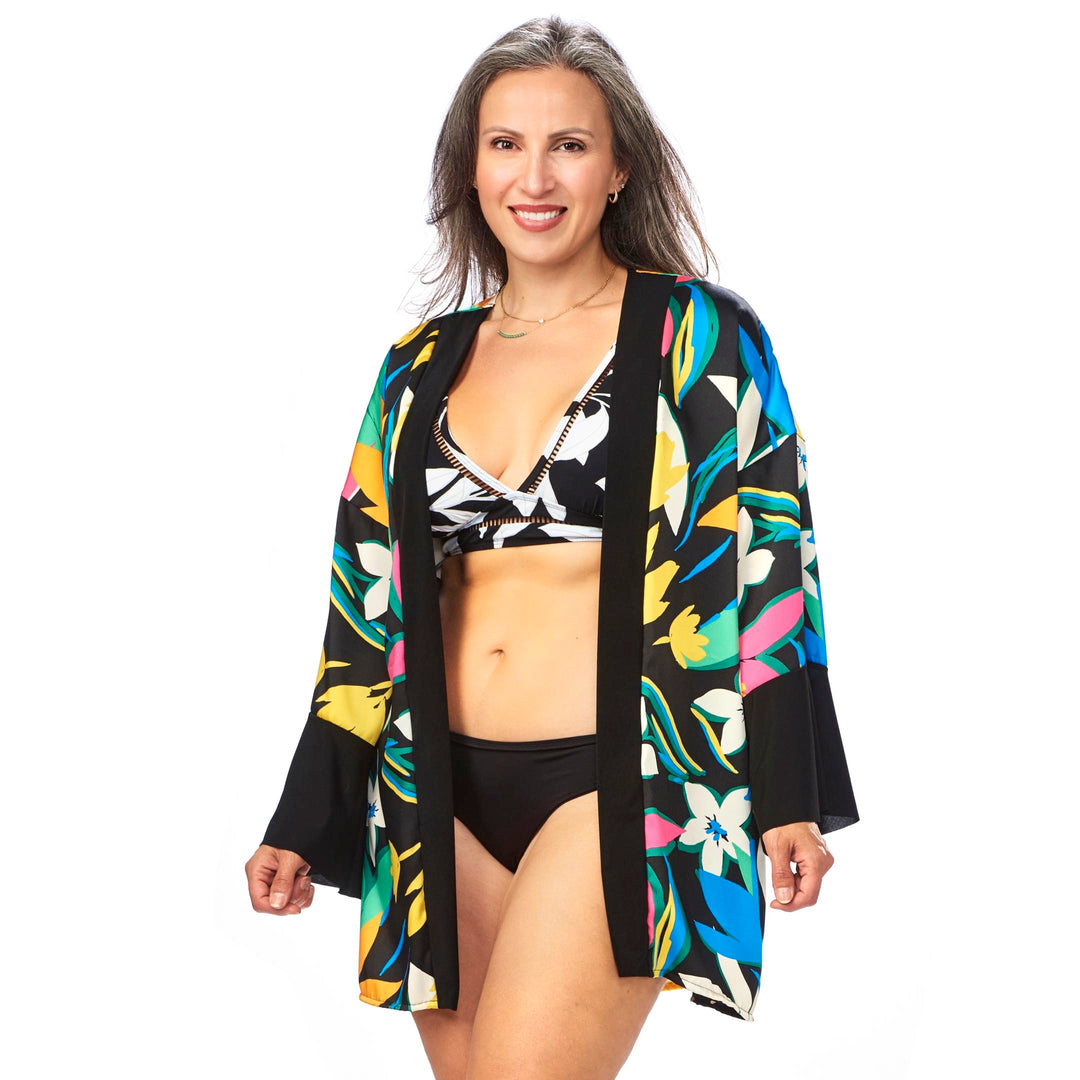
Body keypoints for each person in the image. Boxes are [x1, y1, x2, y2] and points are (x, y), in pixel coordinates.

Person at [245, 15, 859, 1079]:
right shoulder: (416, 366)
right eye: (506, 144)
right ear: (470, 169)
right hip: (435, 791)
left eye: (568, 145)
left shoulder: (698, 334)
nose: (535, 177)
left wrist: (789, 792)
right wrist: (306, 814)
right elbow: (362, 606)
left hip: (625, 782)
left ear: (618, 169)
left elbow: (773, 566)